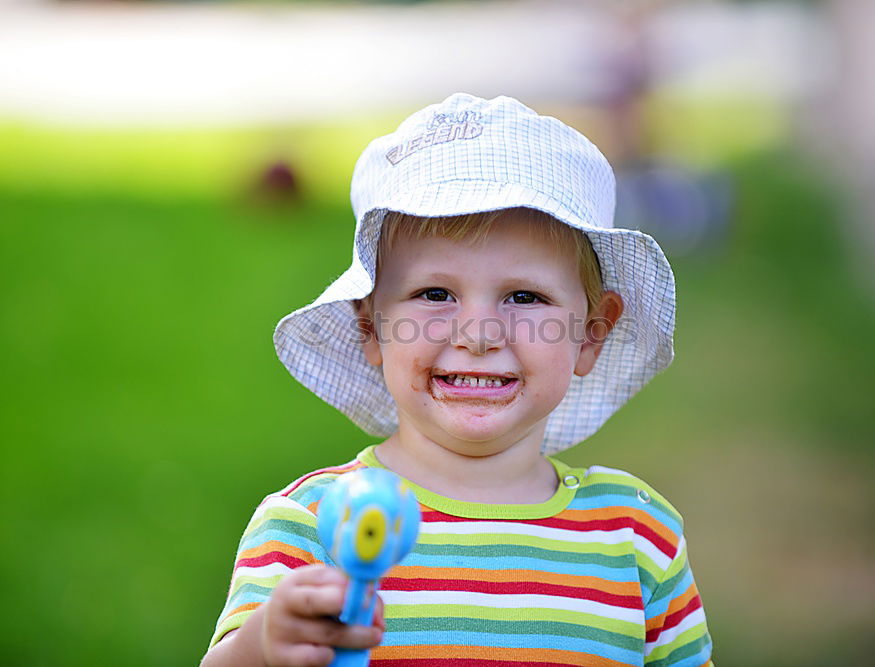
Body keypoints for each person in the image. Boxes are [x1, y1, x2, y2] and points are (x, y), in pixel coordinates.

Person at [202, 93, 714, 667]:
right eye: (434, 294)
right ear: (370, 326)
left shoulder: (635, 540)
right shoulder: (314, 524)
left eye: (525, 296)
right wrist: (266, 646)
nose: (478, 333)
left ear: (591, 333)